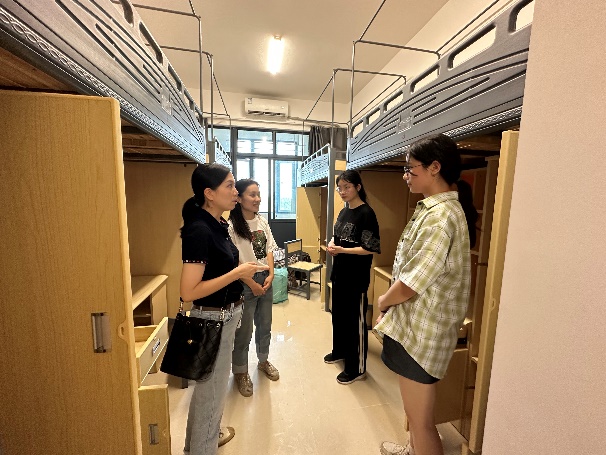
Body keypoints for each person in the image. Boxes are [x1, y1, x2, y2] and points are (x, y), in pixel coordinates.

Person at [374, 134, 478, 455]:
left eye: (410, 168)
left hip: (421, 335)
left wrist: (383, 301)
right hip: (417, 329)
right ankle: (411, 449)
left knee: (421, 422)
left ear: (435, 167)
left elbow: (412, 281)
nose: (406, 175)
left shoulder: (440, 216)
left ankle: (418, 447)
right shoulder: (439, 209)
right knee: (415, 416)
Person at [179, 164, 266, 455]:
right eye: (229, 186)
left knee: (208, 390)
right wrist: (238, 273)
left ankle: (198, 443)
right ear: (209, 193)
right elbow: (189, 292)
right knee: (213, 393)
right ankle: (203, 448)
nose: (235, 192)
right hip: (213, 318)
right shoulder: (199, 230)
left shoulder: (217, 224)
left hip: (225, 315)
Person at [325, 169, 381, 384]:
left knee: (354, 322)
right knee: (338, 316)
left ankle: (357, 368)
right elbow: (337, 236)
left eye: (347, 187)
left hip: (355, 278)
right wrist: (332, 244)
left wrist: (342, 250)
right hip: (339, 273)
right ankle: (340, 351)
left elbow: (370, 248)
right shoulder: (343, 211)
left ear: (358, 187)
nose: (342, 191)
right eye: (339, 188)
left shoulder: (366, 213)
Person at [228, 179, 280, 397]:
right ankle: (240, 371)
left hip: (265, 278)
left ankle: (263, 360)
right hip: (245, 282)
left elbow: (269, 249)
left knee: (265, 324)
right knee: (244, 330)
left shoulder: (262, 221)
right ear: (239, 198)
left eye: (258, 194)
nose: (257, 199)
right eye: (252, 195)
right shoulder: (231, 226)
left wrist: (271, 274)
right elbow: (234, 260)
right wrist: (252, 284)